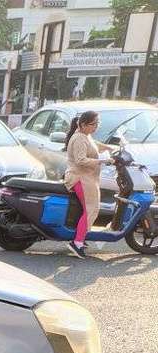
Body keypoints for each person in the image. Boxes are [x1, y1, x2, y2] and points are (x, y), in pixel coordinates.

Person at [63, 110, 113, 258]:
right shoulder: (79, 138)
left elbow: (93, 145)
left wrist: (109, 148)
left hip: (87, 177)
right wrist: (103, 161)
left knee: (90, 209)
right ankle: (77, 243)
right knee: (91, 209)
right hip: (80, 178)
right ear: (83, 124)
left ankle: (80, 236)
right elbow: (81, 160)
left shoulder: (85, 135)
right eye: (93, 124)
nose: (96, 127)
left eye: (98, 123)